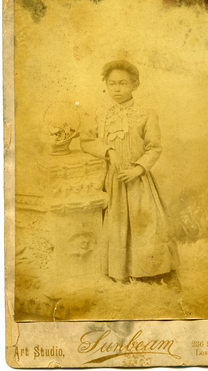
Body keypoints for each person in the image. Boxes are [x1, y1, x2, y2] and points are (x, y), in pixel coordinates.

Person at [80, 60, 180, 289]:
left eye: (123, 83)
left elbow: (154, 147)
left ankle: (154, 271)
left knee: (146, 225)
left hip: (138, 181)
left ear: (135, 84)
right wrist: (108, 150)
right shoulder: (100, 113)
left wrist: (138, 169)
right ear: (105, 85)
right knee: (116, 227)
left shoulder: (145, 113)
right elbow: (86, 140)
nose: (117, 88)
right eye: (112, 83)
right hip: (112, 180)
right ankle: (120, 271)